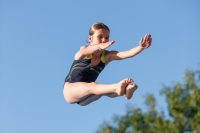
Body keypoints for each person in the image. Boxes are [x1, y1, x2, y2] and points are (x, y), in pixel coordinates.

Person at [63, 22, 152, 106]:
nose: (104, 40)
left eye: (106, 37)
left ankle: (126, 90)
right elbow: (85, 50)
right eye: (100, 37)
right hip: (70, 91)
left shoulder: (107, 56)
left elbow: (127, 54)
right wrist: (99, 46)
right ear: (90, 38)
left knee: (102, 91)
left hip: (85, 100)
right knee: (93, 86)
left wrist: (141, 47)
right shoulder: (84, 51)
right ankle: (117, 88)